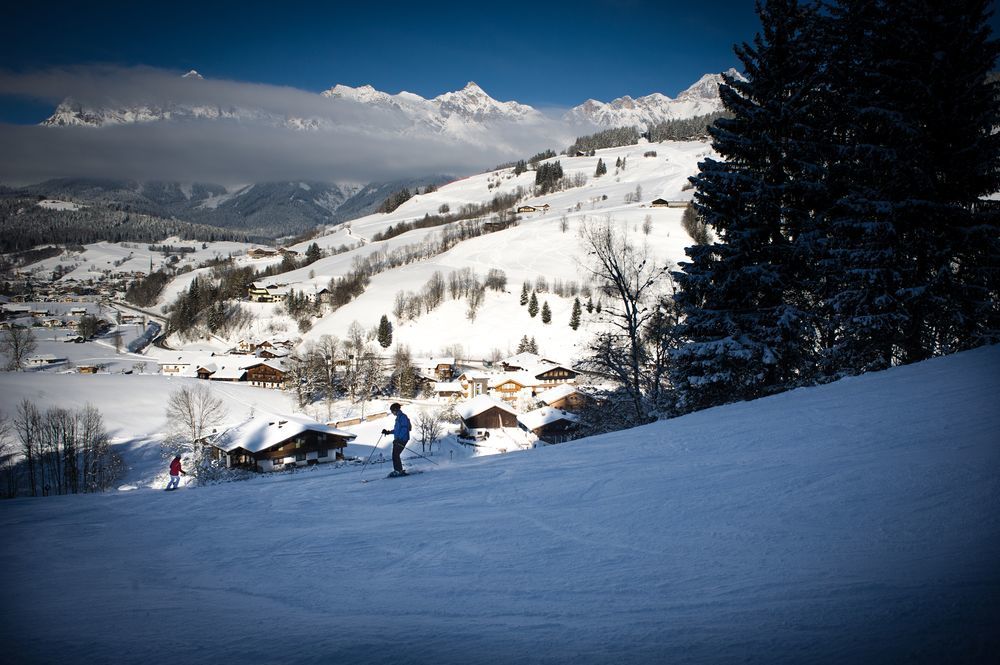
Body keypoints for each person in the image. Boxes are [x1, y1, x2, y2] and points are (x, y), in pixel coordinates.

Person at [381, 403, 411, 476]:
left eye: (392, 411)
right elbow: (397, 430)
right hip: (398, 439)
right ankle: (398, 470)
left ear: (395, 410)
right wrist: (388, 432)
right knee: (395, 454)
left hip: (402, 439)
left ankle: (398, 471)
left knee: (395, 454)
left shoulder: (403, 417)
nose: (392, 412)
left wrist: (398, 439)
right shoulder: (398, 418)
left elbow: (404, 429)